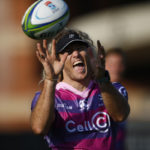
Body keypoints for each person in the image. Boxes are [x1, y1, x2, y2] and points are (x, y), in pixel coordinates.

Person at [30, 28, 130, 150]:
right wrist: (50, 80)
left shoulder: (112, 89)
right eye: (69, 51)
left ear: (89, 54)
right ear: (57, 60)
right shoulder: (50, 97)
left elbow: (120, 115)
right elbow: (39, 128)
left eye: (80, 48)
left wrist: (102, 79)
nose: (76, 54)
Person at [105, 48, 128, 150]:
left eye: (119, 64)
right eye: (111, 64)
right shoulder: (94, 92)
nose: (115, 69)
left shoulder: (122, 91)